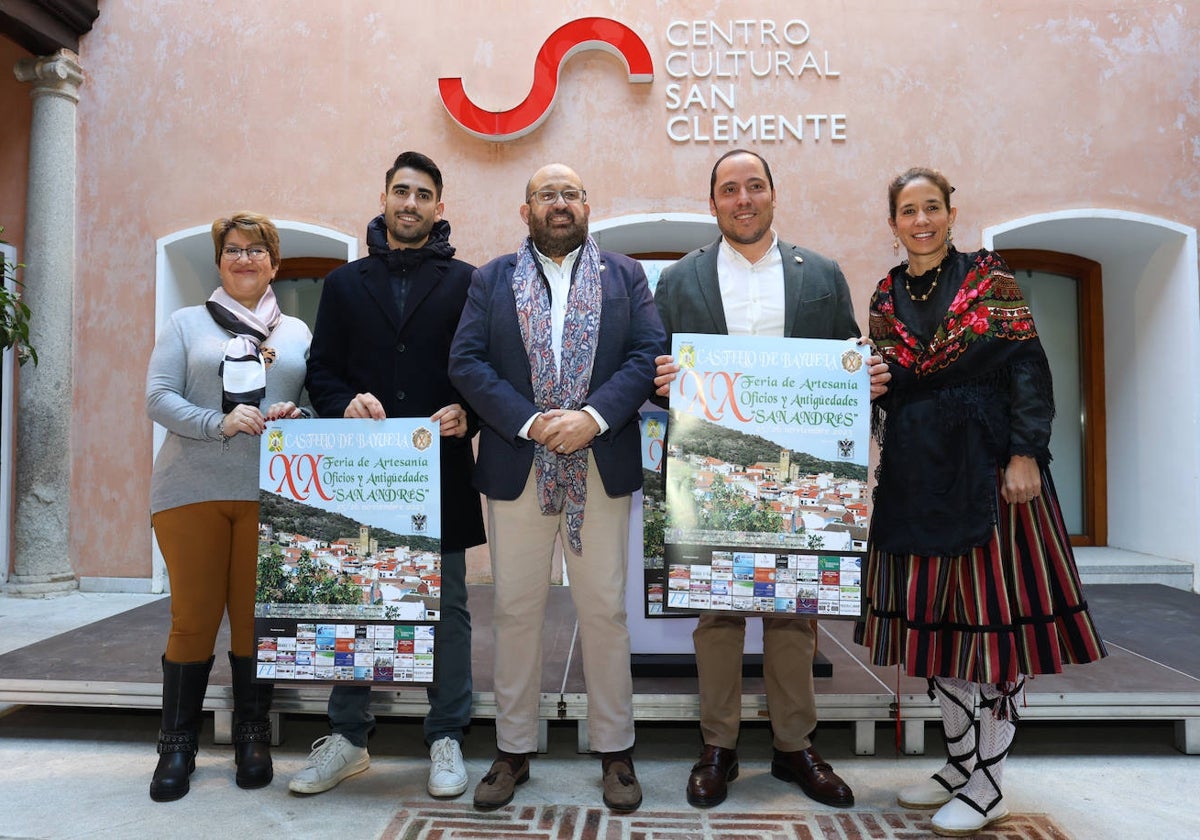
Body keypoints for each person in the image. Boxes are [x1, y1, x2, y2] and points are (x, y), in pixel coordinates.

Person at [856, 167, 1107, 836]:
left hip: (992, 478)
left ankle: (989, 782)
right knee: (935, 631)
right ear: (894, 222)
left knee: (991, 635)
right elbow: (890, 390)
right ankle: (959, 762)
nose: (921, 220)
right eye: (908, 210)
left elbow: (1028, 366)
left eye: (931, 207)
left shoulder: (988, 281)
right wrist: (869, 382)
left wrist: (1026, 453)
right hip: (916, 480)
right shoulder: (885, 294)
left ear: (950, 212)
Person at [653, 149, 890, 810]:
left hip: (797, 477)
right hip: (714, 473)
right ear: (714, 203)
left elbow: (846, 363)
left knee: (795, 612)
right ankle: (719, 746)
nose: (744, 198)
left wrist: (862, 381)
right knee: (719, 612)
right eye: (730, 189)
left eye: (754, 186)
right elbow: (649, 360)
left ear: (774, 195)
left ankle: (795, 747)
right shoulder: (678, 280)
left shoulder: (822, 275)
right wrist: (659, 377)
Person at [449, 163, 664, 813]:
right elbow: (466, 361)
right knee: (515, 610)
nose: (560, 203)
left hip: (599, 459)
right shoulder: (492, 279)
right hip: (519, 462)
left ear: (588, 204)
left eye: (571, 193)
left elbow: (645, 357)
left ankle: (616, 751)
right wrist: (533, 421)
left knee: (603, 610)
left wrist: (591, 418)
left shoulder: (625, 276)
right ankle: (513, 749)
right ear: (527, 210)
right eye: (547, 194)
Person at [292, 151, 486, 799]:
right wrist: (343, 401)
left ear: (438, 207)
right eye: (400, 190)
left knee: (447, 608)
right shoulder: (345, 284)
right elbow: (321, 371)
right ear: (384, 197)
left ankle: (447, 735)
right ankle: (348, 736)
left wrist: (472, 412)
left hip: (441, 469)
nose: (410, 202)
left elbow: (485, 368)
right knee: (359, 597)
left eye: (423, 193)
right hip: (364, 474)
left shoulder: (468, 283)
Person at [145, 212, 309, 801]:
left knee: (255, 621)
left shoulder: (296, 335)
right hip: (190, 492)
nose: (244, 259)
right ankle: (176, 745)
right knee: (192, 618)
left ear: (274, 262)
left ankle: (251, 735)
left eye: (256, 249)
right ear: (220, 261)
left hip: (270, 495)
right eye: (233, 250)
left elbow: (314, 404)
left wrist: (298, 415)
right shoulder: (185, 324)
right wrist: (218, 422)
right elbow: (158, 398)